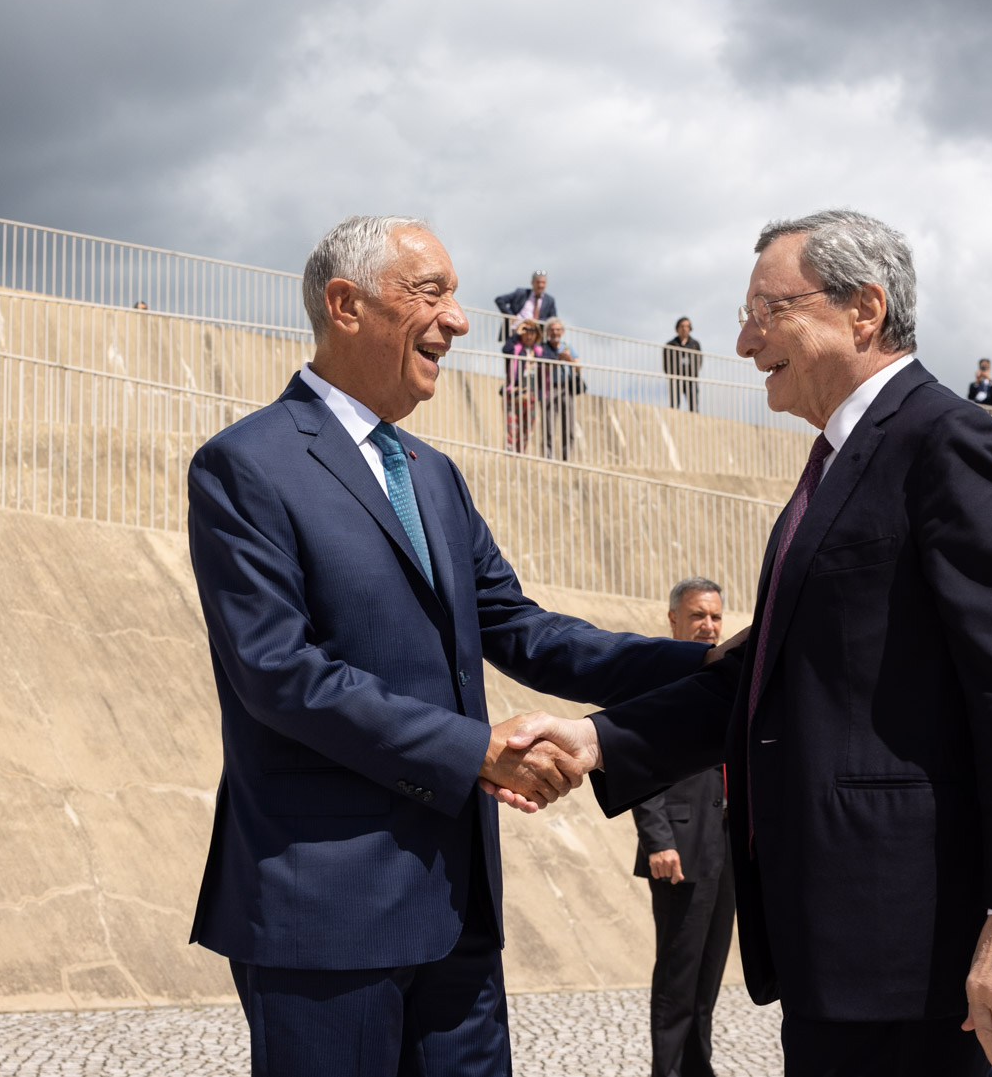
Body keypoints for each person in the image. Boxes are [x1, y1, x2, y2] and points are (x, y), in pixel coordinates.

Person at [497, 210, 992, 1076]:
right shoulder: (834, 468)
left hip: (915, 941)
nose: (744, 341)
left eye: (767, 311)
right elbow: (766, 678)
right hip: (837, 938)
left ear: (864, 309)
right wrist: (596, 739)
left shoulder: (946, 442)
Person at [183, 215, 711, 1077]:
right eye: (431, 293)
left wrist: (707, 666)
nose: (459, 320)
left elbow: (522, 628)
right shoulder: (245, 465)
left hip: (459, 906)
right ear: (346, 304)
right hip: (326, 913)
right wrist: (476, 752)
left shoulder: (433, 474)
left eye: (456, 297)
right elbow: (279, 673)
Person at [631, 577, 735, 1077]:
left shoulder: (727, 675)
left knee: (709, 971)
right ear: (674, 618)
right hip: (679, 847)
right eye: (698, 615)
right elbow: (638, 761)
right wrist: (658, 840)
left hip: (727, 846)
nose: (708, 625)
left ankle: (698, 1068)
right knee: (678, 974)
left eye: (715, 616)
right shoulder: (657, 676)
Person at [540, 318, 584, 462]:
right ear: (548, 332)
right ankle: (548, 457)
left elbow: (579, 368)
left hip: (567, 388)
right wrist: (557, 360)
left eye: (558, 329)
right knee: (548, 424)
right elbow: (541, 369)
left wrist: (569, 359)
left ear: (562, 331)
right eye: (552, 329)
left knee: (569, 425)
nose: (555, 332)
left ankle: (566, 458)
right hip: (550, 388)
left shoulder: (568, 347)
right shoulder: (543, 348)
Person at [501, 318, 546, 453]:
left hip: (531, 392)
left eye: (532, 332)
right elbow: (506, 349)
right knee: (512, 423)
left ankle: (520, 452)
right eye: (526, 332)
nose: (529, 335)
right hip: (514, 390)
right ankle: (510, 452)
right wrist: (516, 333)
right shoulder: (515, 348)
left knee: (527, 425)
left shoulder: (539, 352)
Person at [492, 271, 555, 340]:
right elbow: (500, 300)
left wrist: (536, 322)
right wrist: (510, 315)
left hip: (535, 335)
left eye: (543, 282)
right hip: (514, 330)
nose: (540, 285)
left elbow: (553, 319)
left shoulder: (550, 300)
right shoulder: (521, 293)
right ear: (532, 282)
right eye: (538, 282)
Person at [663, 317, 703, 412]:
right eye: (682, 326)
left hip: (691, 379)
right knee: (674, 405)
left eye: (687, 326)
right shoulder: (670, 344)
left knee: (693, 406)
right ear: (677, 328)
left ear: (690, 328)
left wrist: (693, 373)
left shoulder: (695, 344)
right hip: (675, 378)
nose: (684, 328)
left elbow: (699, 360)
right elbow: (666, 362)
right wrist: (671, 374)